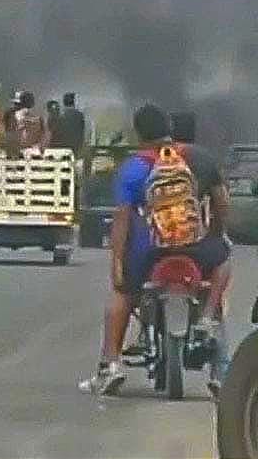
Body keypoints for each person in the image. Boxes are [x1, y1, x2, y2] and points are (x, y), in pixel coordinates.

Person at [78, 104, 232, 397]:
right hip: (195, 246)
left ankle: (110, 365)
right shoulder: (199, 158)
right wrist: (215, 234)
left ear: (139, 133)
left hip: (150, 251)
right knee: (222, 264)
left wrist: (118, 263)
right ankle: (213, 340)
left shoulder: (133, 168)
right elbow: (222, 205)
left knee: (122, 295)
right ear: (169, 129)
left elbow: (122, 220)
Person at [52, 92, 86, 158]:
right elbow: (82, 131)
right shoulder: (80, 115)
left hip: (61, 147)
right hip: (75, 147)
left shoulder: (59, 115)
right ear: (73, 102)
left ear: (64, 102)